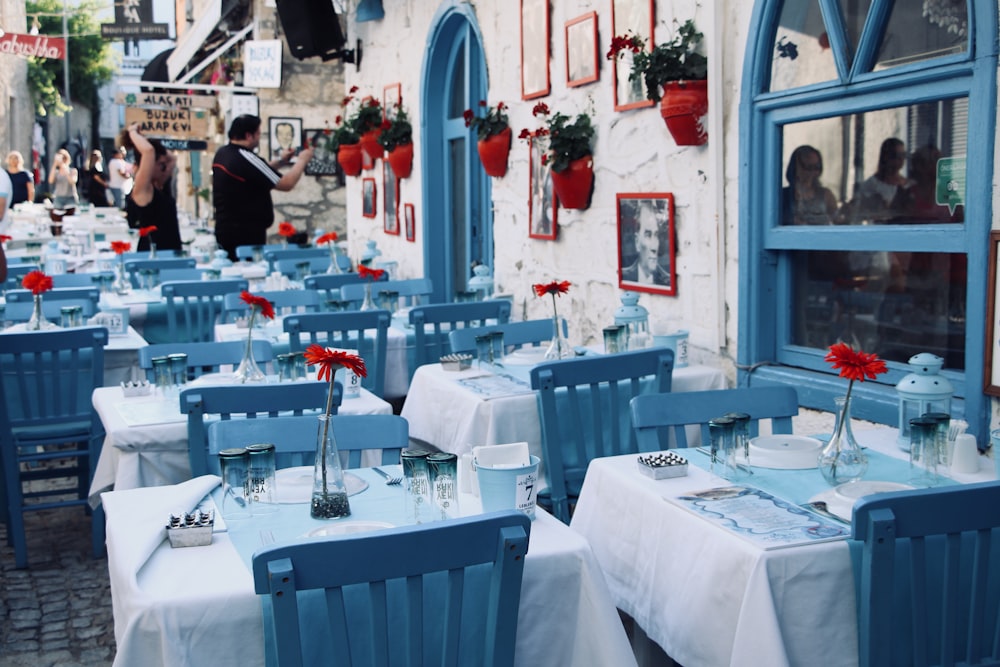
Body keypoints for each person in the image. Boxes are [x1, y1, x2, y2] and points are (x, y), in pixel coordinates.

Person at [212, 114, 314, 260]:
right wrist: (302, 160)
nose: (259, 137)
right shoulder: (246, 156)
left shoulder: (223, 154)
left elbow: (256, 172)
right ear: (249, 135)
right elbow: (286, 183)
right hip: (246, 234)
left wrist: (281, 161)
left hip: (226, 230)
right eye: (258, 133)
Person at [121, 124, 182, 252]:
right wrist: (133, 133)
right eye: (160, 165)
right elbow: (149, 151)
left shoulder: (159, 186)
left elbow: (171, 159)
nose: (164, 169)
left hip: (170, 253)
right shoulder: (143, 188)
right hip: (153, 254)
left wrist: (146, 138)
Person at [850, 138, 910, 223]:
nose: (901, 159)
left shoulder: (909, 185)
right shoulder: (870, 186)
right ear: (886, 156)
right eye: (896, 155)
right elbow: (858, 213)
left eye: (903, 155)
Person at [781, 145, 838, 225]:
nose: (812, 172)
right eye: (808, 167)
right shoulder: (782, 196)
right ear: (795, 167)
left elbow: (838, 221)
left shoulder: (826, 195)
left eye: (816, 167)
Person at [621, 200, 671, 287]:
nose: (654, 247)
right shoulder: (624, 277)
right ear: (637, 242)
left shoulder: (668, 281)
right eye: (648, 235)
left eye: (656, 235)